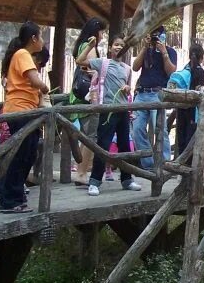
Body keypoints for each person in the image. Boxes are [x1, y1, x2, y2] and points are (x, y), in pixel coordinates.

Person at [76, 34, 142, 196]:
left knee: (125, 145)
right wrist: (90, 46)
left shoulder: (126, 68)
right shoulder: (103, 63)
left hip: (123, 111)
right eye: (116, 45)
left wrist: (127, 88)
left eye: (122, 45)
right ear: (110, 48)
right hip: (107, 111)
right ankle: (95, 182)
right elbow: (80, 61)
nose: (119, 47)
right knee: (103, 145)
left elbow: (128, 88)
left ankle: (127, 180)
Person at [0, 21, 48, 214]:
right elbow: (35, 81)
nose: (42, 41)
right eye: (41, 36)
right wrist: (45, 88)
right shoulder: (23, 54)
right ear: (33, 38)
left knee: (28, 154)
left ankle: (12, 195)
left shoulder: (20, 55)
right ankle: (10, 199)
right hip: (20, 110)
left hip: (24, 109)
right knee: (22, 156)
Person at [131, 25, 177, 170]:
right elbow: (135, 67)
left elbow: (171, 72)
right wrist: (144, 48)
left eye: (158, 35)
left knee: (160, 129)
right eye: (153, 36)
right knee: (137, 128)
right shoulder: (146, 51)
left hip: (158, 95)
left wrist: (164, 53)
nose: (155, 39)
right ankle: (148, 164)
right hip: (142, 93)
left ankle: (164, 164)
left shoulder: (170, 51)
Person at [69, 18, 106, 185]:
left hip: (78, 96)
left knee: (86, 135)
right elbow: (91, 69)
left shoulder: (82, 45)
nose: (103, 34)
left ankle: (82, 170)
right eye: (102, 31)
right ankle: (82, 173)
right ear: (96, 32)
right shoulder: (89, 47)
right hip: (88, 97)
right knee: (90, 136)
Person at [175, 43, 204, 156]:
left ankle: (179, 163)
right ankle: (187, 165)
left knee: (181, 137)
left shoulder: (185, 68)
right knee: (190, 137)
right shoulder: (200, 71)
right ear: (201, 56)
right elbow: (199, 90)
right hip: (193, 110)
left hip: (181, 107)